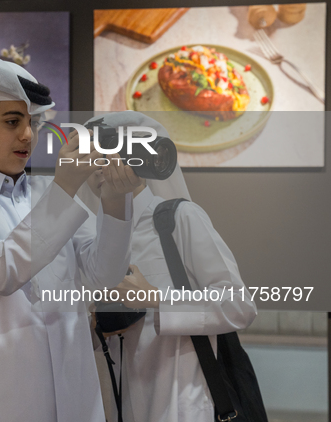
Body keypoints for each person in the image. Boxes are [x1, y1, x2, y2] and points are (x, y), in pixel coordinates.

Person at [0, 53, 140, 422]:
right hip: (0, 387)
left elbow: (103, 275)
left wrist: (115, 200)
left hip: (73, 383)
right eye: (12, 121)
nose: (27, 135)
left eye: (33, 123)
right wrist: (66, 187)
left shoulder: (44, 191)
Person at [84, 111, 257, 422]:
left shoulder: (177, 219)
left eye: (108, 152)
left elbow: (240, 306)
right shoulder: (89, 237)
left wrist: (156, 299)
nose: (100, 163)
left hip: (187, 405)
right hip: (122, 404)